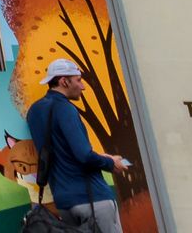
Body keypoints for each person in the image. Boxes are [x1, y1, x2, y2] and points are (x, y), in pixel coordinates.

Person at [26, 58, 130, 233]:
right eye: (78, 80)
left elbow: (60, 150)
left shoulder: (34, 111)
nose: (83, 87)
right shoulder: (66, 108)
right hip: (92, 199)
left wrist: (100, 156)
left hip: (64, 203)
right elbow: (83, 155)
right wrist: (110, 163)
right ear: (64, 81)